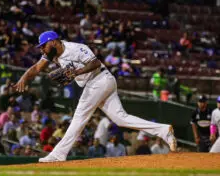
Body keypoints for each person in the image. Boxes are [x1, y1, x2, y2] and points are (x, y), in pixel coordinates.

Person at [14, 31, 177, 162]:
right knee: (121, 119)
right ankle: (163, 131)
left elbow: (96, 63)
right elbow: (36, 68)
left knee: (79, 117)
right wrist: (24, 77)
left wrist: (76, 72)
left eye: (44, 46)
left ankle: (58, 155)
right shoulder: (51, 55)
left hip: (99, 79)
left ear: (54, 42)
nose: (42, 49)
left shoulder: (75, 48)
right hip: (98, 83)